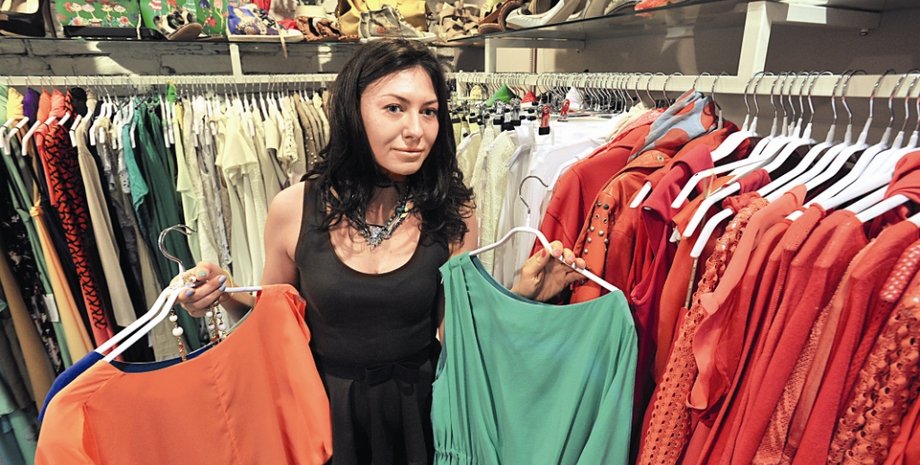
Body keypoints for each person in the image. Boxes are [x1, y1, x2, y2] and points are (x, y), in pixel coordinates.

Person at [178, 38, 587, 465]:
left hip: (420, 416)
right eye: (394, 108)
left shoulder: (452, 211)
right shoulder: (294, 208)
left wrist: (523, 296)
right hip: (325, 415)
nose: (416, 130)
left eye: (428, 111)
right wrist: (221, 294)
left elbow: (459, 335)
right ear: (352, 112)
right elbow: (273, 318)